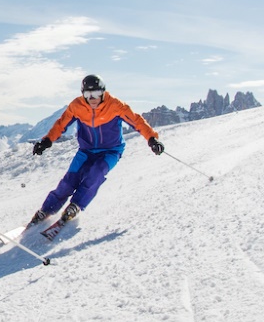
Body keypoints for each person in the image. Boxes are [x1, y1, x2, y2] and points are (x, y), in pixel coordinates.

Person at [29, 74, 164, 227]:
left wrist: (152, 139)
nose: (92, 99)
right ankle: (47, 209)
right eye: (88, 94)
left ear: (103, 93)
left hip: (110, 151)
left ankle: (75, 206)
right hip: (86, 151)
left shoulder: (115, 105)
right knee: (69, 181)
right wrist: (46, 141)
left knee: (95, 174)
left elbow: (137, 121)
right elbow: (61, 124)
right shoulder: (77, 106)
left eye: (96, 94)